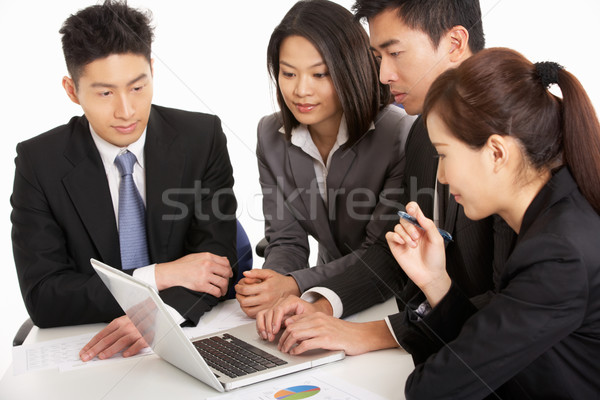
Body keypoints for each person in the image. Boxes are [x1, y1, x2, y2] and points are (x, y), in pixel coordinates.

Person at [256, 0, 515, 350]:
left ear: (454, 44)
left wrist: (374, 333)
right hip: (440, 342)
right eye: (380, 57)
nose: (383, 76)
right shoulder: (423, 133)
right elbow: (395, 250)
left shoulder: (513, 138)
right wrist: (321, 304)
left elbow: (512, 304)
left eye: (395, 53)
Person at [10, 0, 237, 361]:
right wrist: (157, 276)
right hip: (93, 345)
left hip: (188, 336)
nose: (127, 111)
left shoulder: (201, 137)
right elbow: (44, 296)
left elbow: (215, 264)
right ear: (72, 91)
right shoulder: (40, 162)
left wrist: (160, 319)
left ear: (151, 72)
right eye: (105, 93)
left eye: (137, 87)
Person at [384, 47, 600, 399]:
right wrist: (436, 281)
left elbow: (432, 390)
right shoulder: (558, 213)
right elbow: (489, 355)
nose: (440, 175)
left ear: (497, 153)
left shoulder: (557, 253)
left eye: (444, 154)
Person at [235, 0, 415, 317]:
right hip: (317, 296)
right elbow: (286, 239)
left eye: (320, 74)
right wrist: (271, 282)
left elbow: (379, 252)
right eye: (288, 73)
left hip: (388, 299)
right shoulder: (270, 135)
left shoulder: (400, 135)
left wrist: (293, 283)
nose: (301, 90)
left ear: (352, 70)